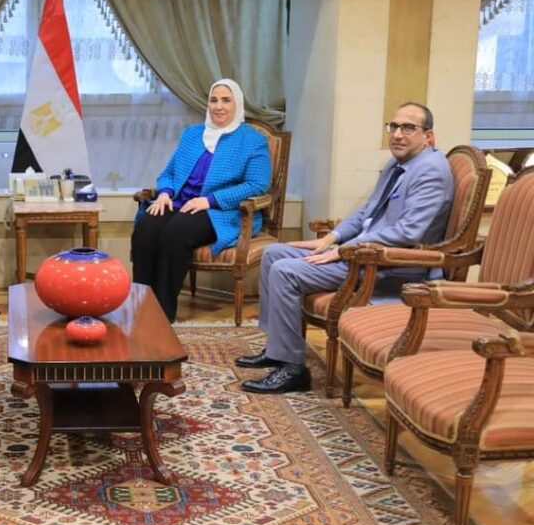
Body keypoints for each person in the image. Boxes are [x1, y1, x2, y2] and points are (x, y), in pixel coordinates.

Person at [237, 102, 453, 394]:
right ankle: (278, 349)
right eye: (394, 126)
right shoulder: (398, 164)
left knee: (284, 271)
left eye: (408, 128)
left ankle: (293, 370)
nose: (397, 134)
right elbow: (367, 212)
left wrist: (344, 250)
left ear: (429, 136)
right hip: (359, 253)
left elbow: (407, 232)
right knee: (273, 253)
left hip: (390, 265)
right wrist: (332, 238)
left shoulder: (431, 171)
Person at [131, 78, 272, 322]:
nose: (219, 106)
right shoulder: (192, 134)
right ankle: (141, 305)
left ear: (237, 104)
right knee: (146, 227)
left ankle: (162, 314)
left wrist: (210, 200)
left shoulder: (252, 141)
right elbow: (169, 173)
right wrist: (164, 193)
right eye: (213, 100)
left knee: (175, 232)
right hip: (179, 203)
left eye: (226, 100)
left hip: (220, 211)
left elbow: (257, 184)